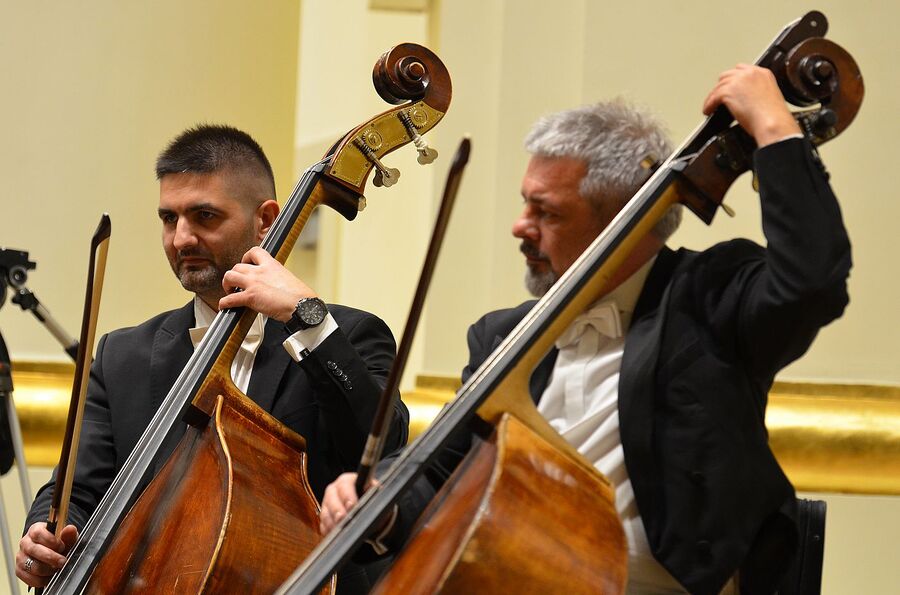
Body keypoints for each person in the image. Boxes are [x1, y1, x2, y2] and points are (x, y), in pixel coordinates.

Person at [320, 64, 851, 594]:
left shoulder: (708, 302)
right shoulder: (502, 338)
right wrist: (379, 505)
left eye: (545, 211)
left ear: (624, 218)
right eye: (524, 201)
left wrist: (774, 130)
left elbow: (813, 281)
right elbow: (441, 475)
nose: (519, 226)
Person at [16, 124, 409, 591]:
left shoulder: (348, 334)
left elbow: (383, 453)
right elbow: (78, 491)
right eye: (169, 219)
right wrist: (44, 532)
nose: (181, 239)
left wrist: (308, 319)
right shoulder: (122, 355)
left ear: (266, 220)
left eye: (204, 216)